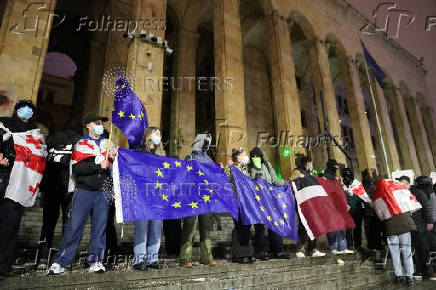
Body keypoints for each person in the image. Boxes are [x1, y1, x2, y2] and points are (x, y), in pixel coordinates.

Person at [48, 114, 116, 275]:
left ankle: (96, 261)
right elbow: (78, 169)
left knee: (99, 229)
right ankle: (61, 261)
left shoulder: (109, 144)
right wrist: (98, 165)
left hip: (103, 192)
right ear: (88, 125)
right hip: (84, 190)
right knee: (74, 227)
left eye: (102, 123)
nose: (101, 125)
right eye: (97, 123)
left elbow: (114, 170)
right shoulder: (82, 144)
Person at [0, 100, 46, 279]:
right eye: (21, 108)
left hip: (18, 187)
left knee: (10, 227)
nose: (25, 111)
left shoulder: (35, 133)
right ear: (16, 110)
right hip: (3, 179)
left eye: (29, 109)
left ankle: (3, 266)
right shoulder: (3, 124)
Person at [36, 118, 83, 270]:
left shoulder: (53, 137)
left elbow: (43, 156)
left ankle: (42, 257)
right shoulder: (79, 140)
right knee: (68, 223)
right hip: (68, 188)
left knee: (48, 223)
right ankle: (63, 257)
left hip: (50, 186)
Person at [179, 134, 216, 267]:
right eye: (204, 142)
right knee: (189, 227)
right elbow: (184, 176)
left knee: (206, 228)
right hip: (192, 198)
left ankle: (207, 257)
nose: (206, 145)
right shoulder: (190, 157)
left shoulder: (209, 159)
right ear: (198, 142)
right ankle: (184, 257)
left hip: (205, 199)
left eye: (208, 142)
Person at [247, 147, 290, 260]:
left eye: (257, 156)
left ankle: (278, 251)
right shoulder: (248, 167)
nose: (256, 158)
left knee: (275, 224)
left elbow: (275, 180)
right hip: (257, 201)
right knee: (260, 227)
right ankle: (261, 251)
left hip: (270, 200)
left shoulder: (267, 165)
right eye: (253, 156)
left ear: (261, 156)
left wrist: (287, 182)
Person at [132, 127, 166, 271]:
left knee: (156, 227)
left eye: (160, 134)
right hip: (142, 194)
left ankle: (153, 258)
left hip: (157, 196)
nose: (159, 136)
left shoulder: (162, 154)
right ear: (149, 135)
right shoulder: (139, 150)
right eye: (156, 133)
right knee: (141, 227)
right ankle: (139, 259)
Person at [378, 179, 417, 286]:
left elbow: (380, 215)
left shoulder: (380, 197)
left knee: (395, 253)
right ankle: (410, 277)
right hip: (404, 226)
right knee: (406, 251)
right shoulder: (402, 193)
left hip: (390, 228)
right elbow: (413, 206)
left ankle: (398, 276)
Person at [289, 156, 326, 258]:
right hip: (302, 203)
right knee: (304, 225)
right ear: (308, 164)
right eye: (311, 164)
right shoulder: (297, 172)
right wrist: (297, 177)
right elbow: (290, 182)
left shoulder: (309, 175)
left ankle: (313, 249)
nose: (311, 166)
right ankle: (300, 248)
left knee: (315, 224)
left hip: (312, 204)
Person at [225, 147, 255, 264]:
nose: (246, 156)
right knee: (239, 227)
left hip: (245, 202)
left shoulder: (244, 168)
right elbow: (226, 180)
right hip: (235, 200)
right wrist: (230, 167)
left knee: (246, 227)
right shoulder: (230, 167)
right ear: (237, 156)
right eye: (244, 154)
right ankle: (237, 255)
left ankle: (246, 253)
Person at [402, 176, 434, 280]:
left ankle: (428, 270)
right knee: (414, 251)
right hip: (409, 227)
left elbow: (426, 206)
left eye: (402, 182)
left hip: (420, 225)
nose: (400, 185)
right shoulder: (401, 194)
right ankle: (420, 270)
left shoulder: (417, 193)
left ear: (408, 184)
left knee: (424, 249)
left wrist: (429, 221)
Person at [323, 160, 353, 255]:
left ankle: (343, 247)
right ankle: (333, 247)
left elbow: (339, 192)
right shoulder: (324, 178)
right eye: (335, 167)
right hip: (330, 206)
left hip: (339, 205)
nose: (336, 169)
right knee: (333, 227)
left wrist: (345, 203)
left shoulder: (335, 179)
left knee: (342, 227)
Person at [341, 167, 366, 251]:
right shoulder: (340, 184)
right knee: (348, 229)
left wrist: (367, 206)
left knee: (357, 228)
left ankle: (358, 244)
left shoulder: (357, 184)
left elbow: (364, 196)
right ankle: (350, 244)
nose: (347, 177)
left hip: (357, 210)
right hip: (346, 211)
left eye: (349, 175)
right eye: (345, 175)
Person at [361, 169, 384, 251]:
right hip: (374, 212)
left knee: (369, 229)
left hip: (368, 212)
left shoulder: (362, 189)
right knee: (375, 229)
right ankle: (376, 244)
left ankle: (372, 244)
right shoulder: (374, 188)